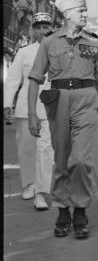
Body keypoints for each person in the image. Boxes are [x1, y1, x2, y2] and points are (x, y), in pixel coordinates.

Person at [27, 0, 98, 239]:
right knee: (62, 159)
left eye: (85, 10)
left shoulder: (94, 42)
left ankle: (81, 209)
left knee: (81, 160)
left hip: (87, 100)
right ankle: (63, 209)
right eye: (80, 11)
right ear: (66, 14)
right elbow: (34, 79)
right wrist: (32, 114)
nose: (85, 14)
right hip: (59, 100)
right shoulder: (49, 42)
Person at [4, 12, 55, 211]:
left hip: (50, 106)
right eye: (39, 27)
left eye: (46, 27)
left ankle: (41, 192)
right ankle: (29, 184)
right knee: (26, 149)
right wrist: (7, 104)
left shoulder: (57, 51)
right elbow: (13, 79)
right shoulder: (24, 52)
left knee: (46, 150)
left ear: (51, 28)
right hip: (26, 107)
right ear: (33, 29)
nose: (42, 31)